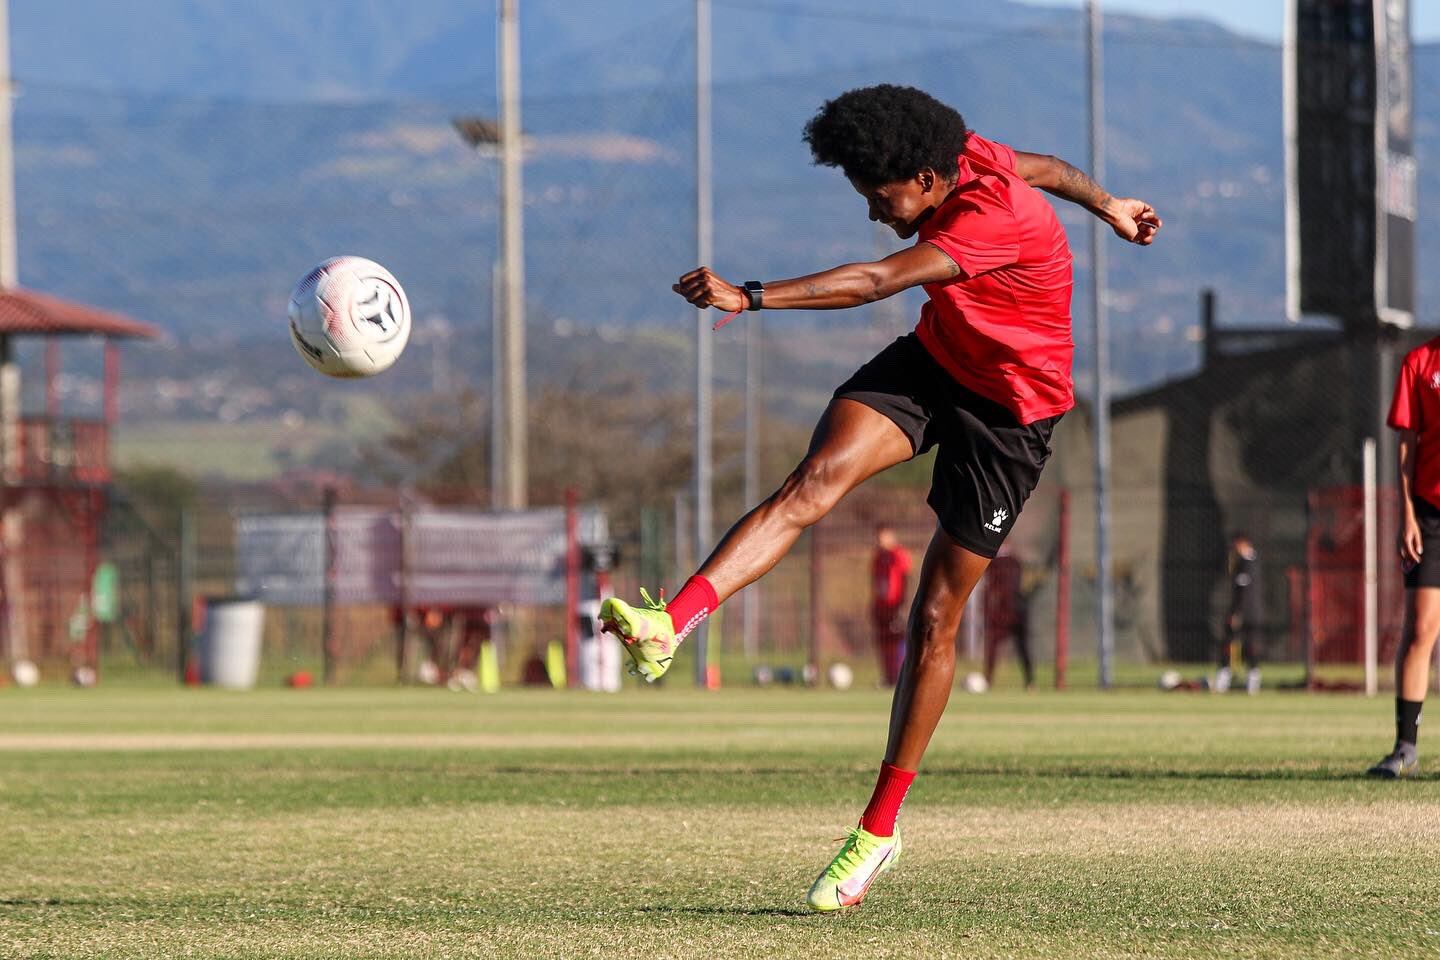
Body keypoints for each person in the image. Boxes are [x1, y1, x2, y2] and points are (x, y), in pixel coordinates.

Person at [598, 84, 1160, 909]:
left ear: (928, 181)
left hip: (1012, 416)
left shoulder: (990, 220)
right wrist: (1107, 203)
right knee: (810, 483)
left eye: (880, 196)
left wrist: (749, 296)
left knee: (934, 617)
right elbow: (1045, 166)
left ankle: (878, 831)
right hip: (936, 363)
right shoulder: (969, 155)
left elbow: (873, 280)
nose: (872, 210)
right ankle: (668, 624)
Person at [1368, 340, 1440, 778]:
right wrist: (1407, 515)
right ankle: (1405, 747)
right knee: (1421, 629)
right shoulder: (1420, 362)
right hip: (1430, 515)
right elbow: (1406, 443)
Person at [1214, 532, 1262, 694]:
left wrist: (1237, 613)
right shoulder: (1247, 561)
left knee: (1247, 645)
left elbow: (1244, 592)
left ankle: (1248, 679)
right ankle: (1228, 677)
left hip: (1247, 613)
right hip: (1250, 612)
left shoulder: (1248, 563)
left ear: (1243, 543)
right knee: (1235, 643)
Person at [871, 525, 912, 687]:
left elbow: (906, 578)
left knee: (898, 639)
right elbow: (875, 580)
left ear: (891, 535)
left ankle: (901, 675)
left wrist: (902, 604)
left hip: (895, 605)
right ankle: (888, 677)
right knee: (883, 641)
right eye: (878, 536)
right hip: (881, 606)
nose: (879, 540)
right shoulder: (878, 557)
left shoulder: (899, 555)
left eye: (883, 536)